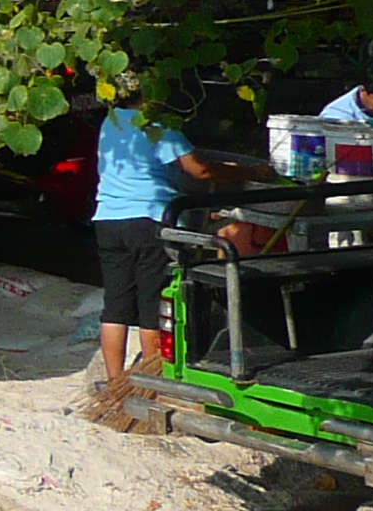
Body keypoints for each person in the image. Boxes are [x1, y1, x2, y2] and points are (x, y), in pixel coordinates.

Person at [90, 78, 266, 422]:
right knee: (151, 305)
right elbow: (199, 170)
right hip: (150, 219)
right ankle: (152, 386)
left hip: (108, 220)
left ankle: (115, 385)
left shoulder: (110, 122)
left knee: (115, 306)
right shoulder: (160, 128)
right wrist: (251, 171)